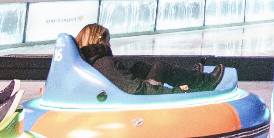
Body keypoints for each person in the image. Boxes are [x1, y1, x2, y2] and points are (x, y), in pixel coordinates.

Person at [73, 23, 222, 94]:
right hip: (135, 99)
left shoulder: (92, 59)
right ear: (100, 41)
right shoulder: (104, 63)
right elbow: (135, 89)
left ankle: (189, 77)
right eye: (108, 41)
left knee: (139, 67)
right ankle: (205, 81)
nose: (110, 45)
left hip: (121, 91)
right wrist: (176, 92)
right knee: (160, 67)